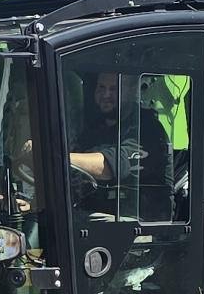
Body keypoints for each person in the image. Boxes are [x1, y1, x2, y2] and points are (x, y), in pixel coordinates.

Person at [70, 71, 173, 217]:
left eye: (114, 89)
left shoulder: (148, 128)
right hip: (96, 219)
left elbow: (112, 165)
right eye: (101, 87)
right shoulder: (93, 129)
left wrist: (54, 158)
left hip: (141, 225)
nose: (106, 95)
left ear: (131, 92)